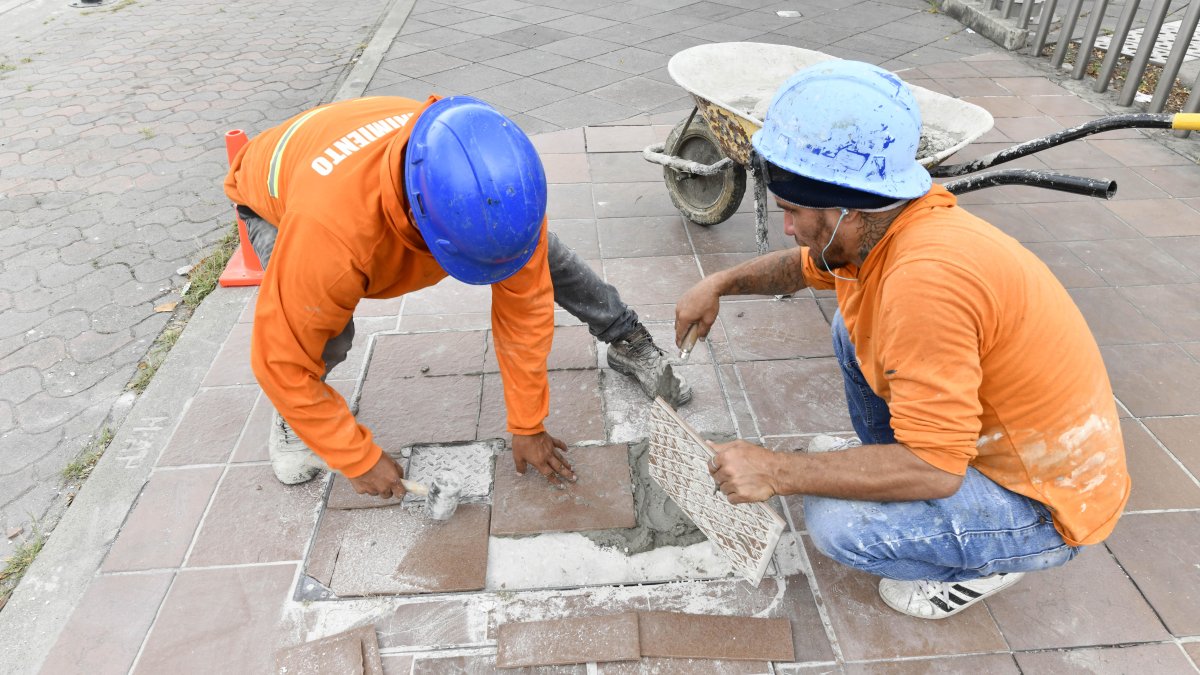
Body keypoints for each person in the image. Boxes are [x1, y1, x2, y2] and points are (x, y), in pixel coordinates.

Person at [675, 60, 1129, 619]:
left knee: (838, 526)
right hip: (984, 442)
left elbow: (937, 470)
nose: (788, 227)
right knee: (851, 324)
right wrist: (720, 282)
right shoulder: (891, 223)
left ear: (847, 211)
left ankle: (986, 564)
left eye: (793, 211)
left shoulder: (924, 285)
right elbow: (804, 266)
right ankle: (888, 462)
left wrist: (776, 469)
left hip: (1047, 502)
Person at [223, 94, 690, 497]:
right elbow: (280, 359)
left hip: (353, 147)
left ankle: (624, 335)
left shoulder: (489, 172)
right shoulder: (330, 240)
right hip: (277, 193)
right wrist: (355, 457)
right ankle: (294, 419)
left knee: (543, 255)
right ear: (424, 226)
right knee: (321, 335)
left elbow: (523, 312)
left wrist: (527, 423)